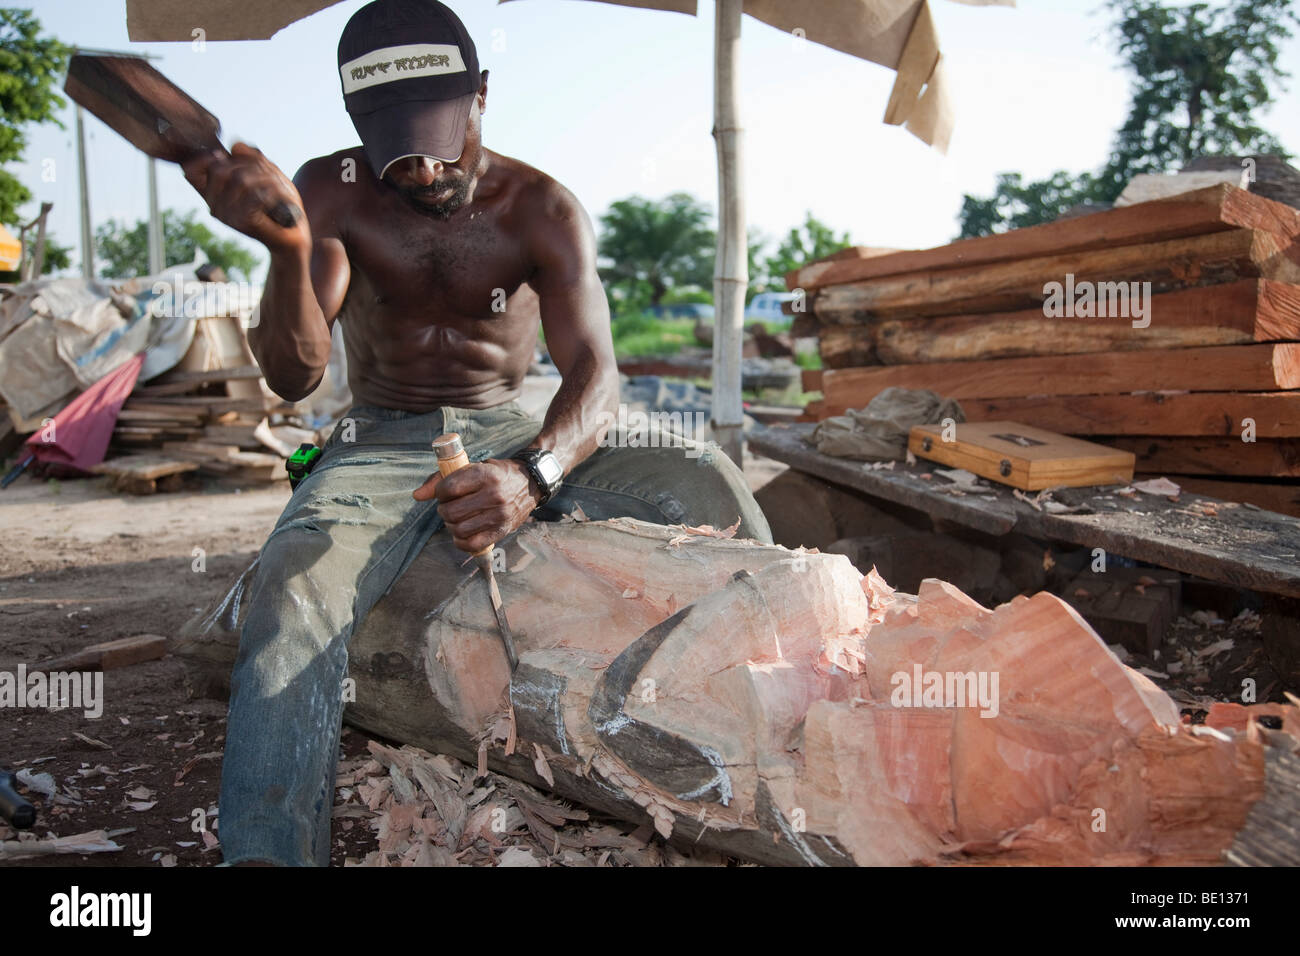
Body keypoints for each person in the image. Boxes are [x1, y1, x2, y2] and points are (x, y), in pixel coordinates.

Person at [182, 0, 772, 866]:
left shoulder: (541, 206)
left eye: (438, 139)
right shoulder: (330, 191)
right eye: (398, 150)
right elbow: (294, 375)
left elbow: (596, 377)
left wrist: (532, 474)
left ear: (483, 94)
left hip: (510, 423)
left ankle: (785, 705)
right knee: (292, 589)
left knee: (703, 475)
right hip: (377, 440)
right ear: (357, 125)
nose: (421, 169)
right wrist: (281, 250)